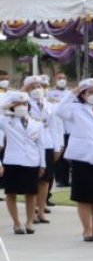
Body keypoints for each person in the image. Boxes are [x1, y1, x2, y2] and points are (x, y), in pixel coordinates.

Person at [55, 78, 93, 242]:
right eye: (90, 92)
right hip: (83, 157)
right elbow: (59, 111)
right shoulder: (75, 109)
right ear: (82, 95)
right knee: (84, 197)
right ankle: (87, 230)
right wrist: (73, 92)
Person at [0, 91, 45, 234]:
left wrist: (42, 164)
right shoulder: (6, 120)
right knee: (11, 193)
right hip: (12, 161)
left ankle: (30, 221)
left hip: (31, 161)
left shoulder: (36, 123)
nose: (21, 107)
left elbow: (41, 145)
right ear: (12, 106)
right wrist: (6, 106)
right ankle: (16, 222)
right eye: (18, 104)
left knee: (31, 193)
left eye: (24, 104)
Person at [24, 75, 61, 224]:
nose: (37, 90)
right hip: (31, 146)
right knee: (33, 179)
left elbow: (54, 126)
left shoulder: (49, 104)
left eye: (39, 86)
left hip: (47, 144)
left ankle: (41, 209)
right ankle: (31, 213)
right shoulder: (23, 103)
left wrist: (57, 147)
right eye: (33, 87)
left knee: (45, 180)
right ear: (27, 89)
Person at [52, 72, 72, 187]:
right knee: (59, 155)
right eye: (59, 78)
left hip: (69, 129)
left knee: (69, 156)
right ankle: (60, 179)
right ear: (55, 79)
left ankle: (67, 179)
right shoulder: (51, 93)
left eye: (64, 78)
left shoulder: (70, 93)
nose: (62, 80)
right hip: (58, 129)